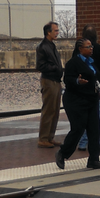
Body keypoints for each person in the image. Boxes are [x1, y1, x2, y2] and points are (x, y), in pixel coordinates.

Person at [55, 38, 100, 170]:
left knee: (94, 129)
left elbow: (96, 77)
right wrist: (77, 81)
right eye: (88, 47)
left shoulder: (91, 62)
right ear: (80, 49)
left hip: (91, 99)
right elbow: (67, 79)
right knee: (78, 128)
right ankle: (63, 153)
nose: (91, 49)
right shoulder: (73, 63)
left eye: (91, 46)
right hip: (76, 101)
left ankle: (94, 160)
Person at [78, 25, 100, 153]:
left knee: (84, 115)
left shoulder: (78, 50)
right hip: (99, 87)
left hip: (83, 87)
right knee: (98, 116)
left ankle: (83, 142)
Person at [35, 20, 63, 148]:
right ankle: (43, 138)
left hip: (56, 81)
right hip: (49, 80)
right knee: (48, 110)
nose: (57, 33)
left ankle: (50, 137)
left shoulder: (51, 46)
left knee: (55, 110)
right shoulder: (42, 47)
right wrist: (55, 68)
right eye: (55, 30)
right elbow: (40, 66)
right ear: (48, 32)